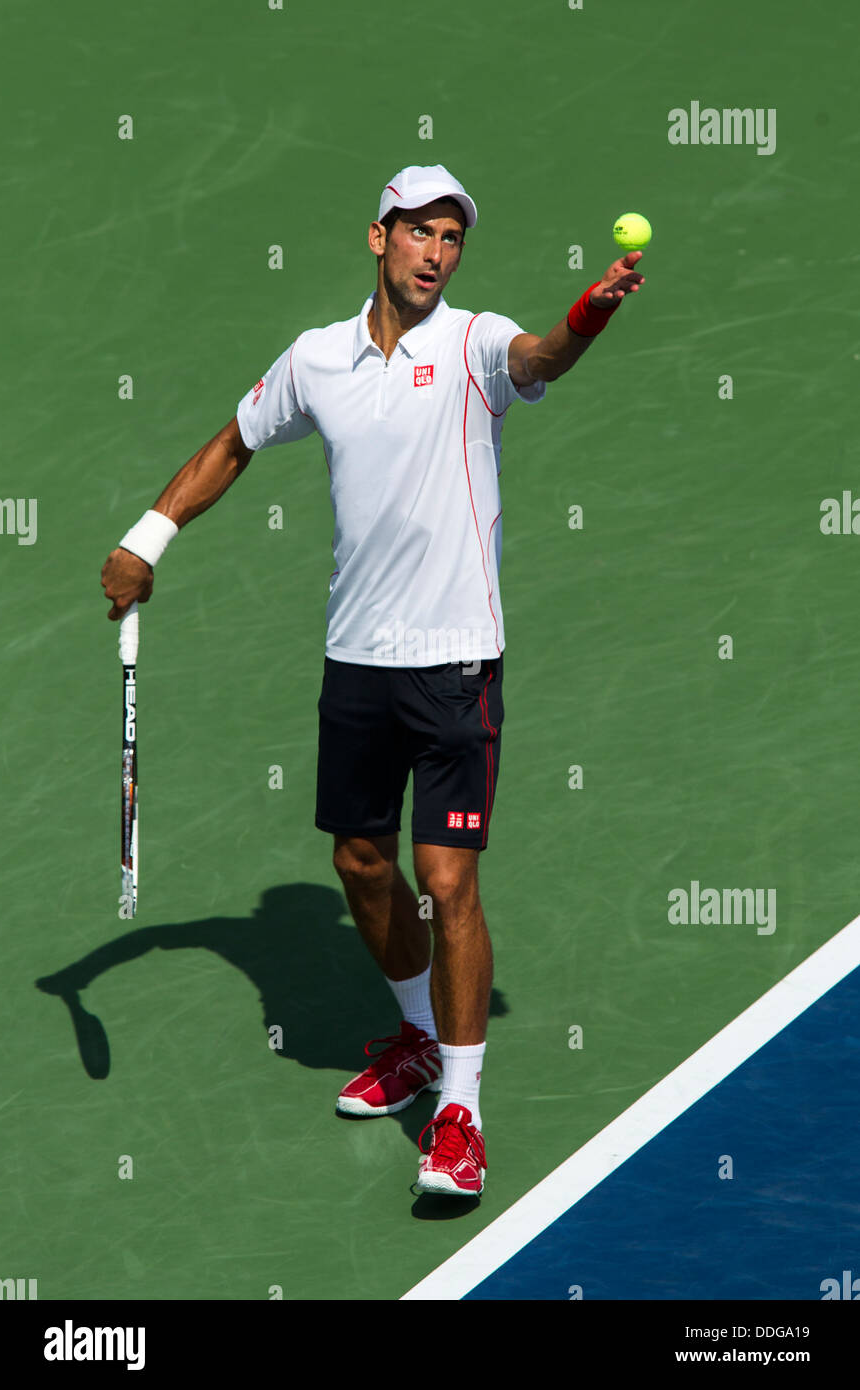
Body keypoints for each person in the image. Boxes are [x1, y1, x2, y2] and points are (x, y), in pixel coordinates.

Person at [101, 163, 645, 1198]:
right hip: (356, 659)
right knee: (358, 860)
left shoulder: (476, 343)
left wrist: (588, 311)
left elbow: (545, 355)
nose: (438, 253)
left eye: (452, 238)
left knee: (446, 884)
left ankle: (459, 1110)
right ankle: (414, 1036)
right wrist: (147, 539)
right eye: (421, 234)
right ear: (377, 239)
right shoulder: (317, 359)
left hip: (452, 665)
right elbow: (233, 442)